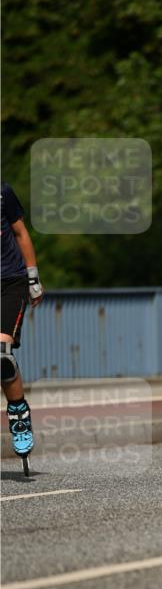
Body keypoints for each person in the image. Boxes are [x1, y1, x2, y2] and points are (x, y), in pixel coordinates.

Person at [1, 182, 44, 464]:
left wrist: (33, 277)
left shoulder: (3, 192)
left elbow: (20, 232)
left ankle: (19, 415)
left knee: (2, 356)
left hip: (10, 282)